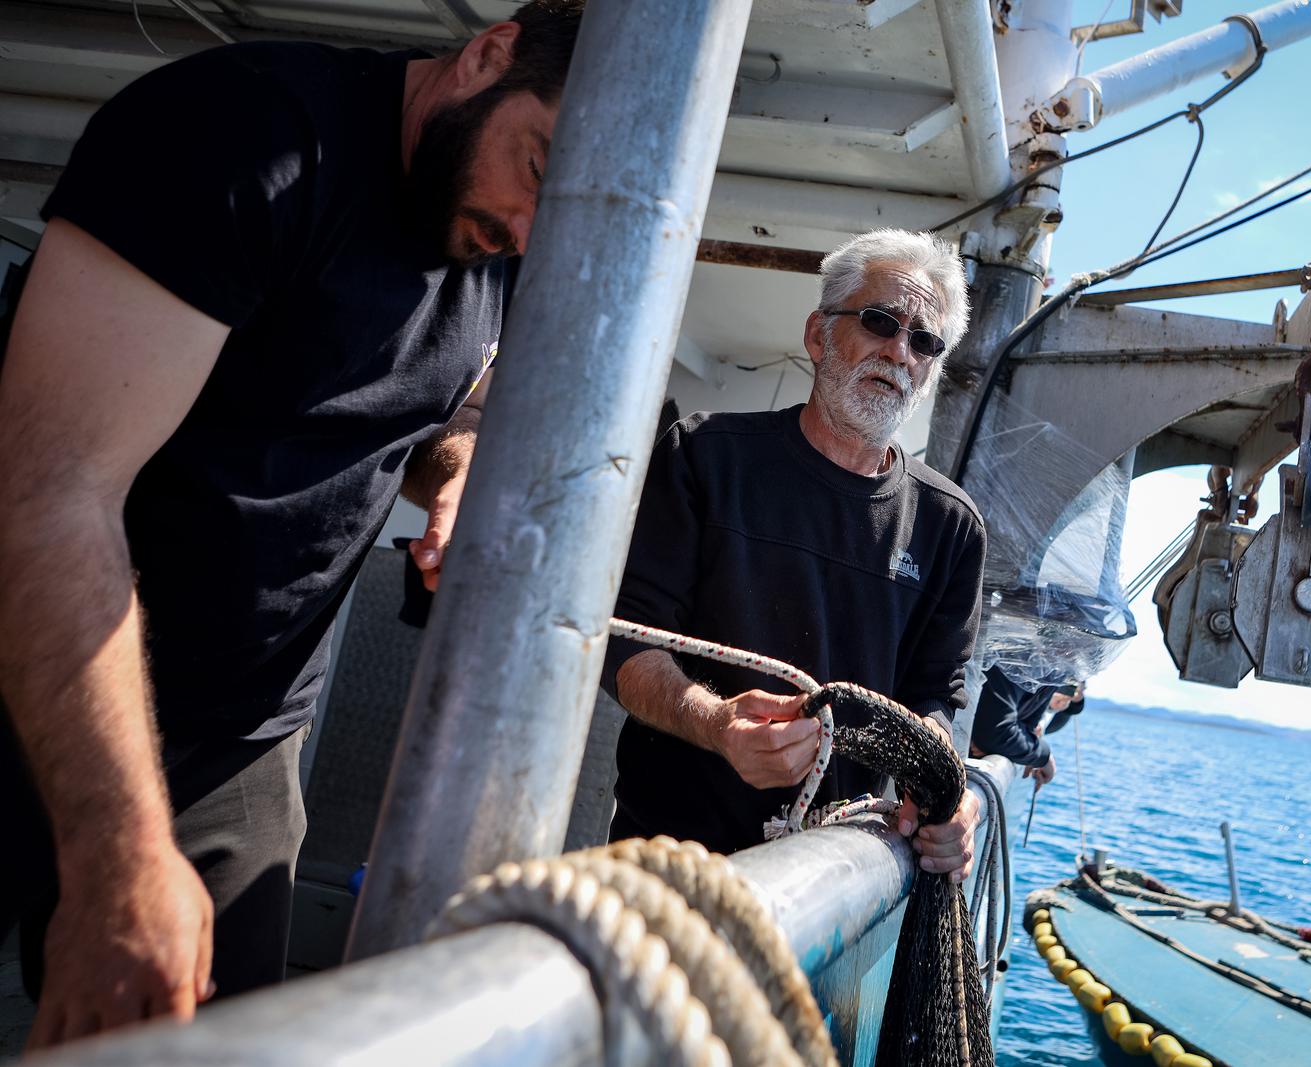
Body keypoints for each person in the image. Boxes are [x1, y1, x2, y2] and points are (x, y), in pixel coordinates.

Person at [0, 1, 585, 1049]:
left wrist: (453, 473)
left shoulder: (502, 238)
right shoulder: (247, 134)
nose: (532, 230)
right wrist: (120, 853)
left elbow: (434, 403)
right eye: (538, 166)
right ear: (487, 55)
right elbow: (48, 491)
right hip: (36, 663)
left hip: (234, 743)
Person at [601, 229, 986, 880]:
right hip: (668, 865)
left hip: (838, 883)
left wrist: (946, 792)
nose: (900, 351)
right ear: (818, 336)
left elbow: (935, 699)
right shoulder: (705, 457)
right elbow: (625, 643)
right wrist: (717, 722)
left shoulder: (951, 525)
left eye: (924, 341)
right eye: (880, 321)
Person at [968, 668, 1086, 788]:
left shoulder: (1052, 676)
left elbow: (1027, 727)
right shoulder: (1017, 662)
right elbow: (994, 734)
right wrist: (1044, 757)